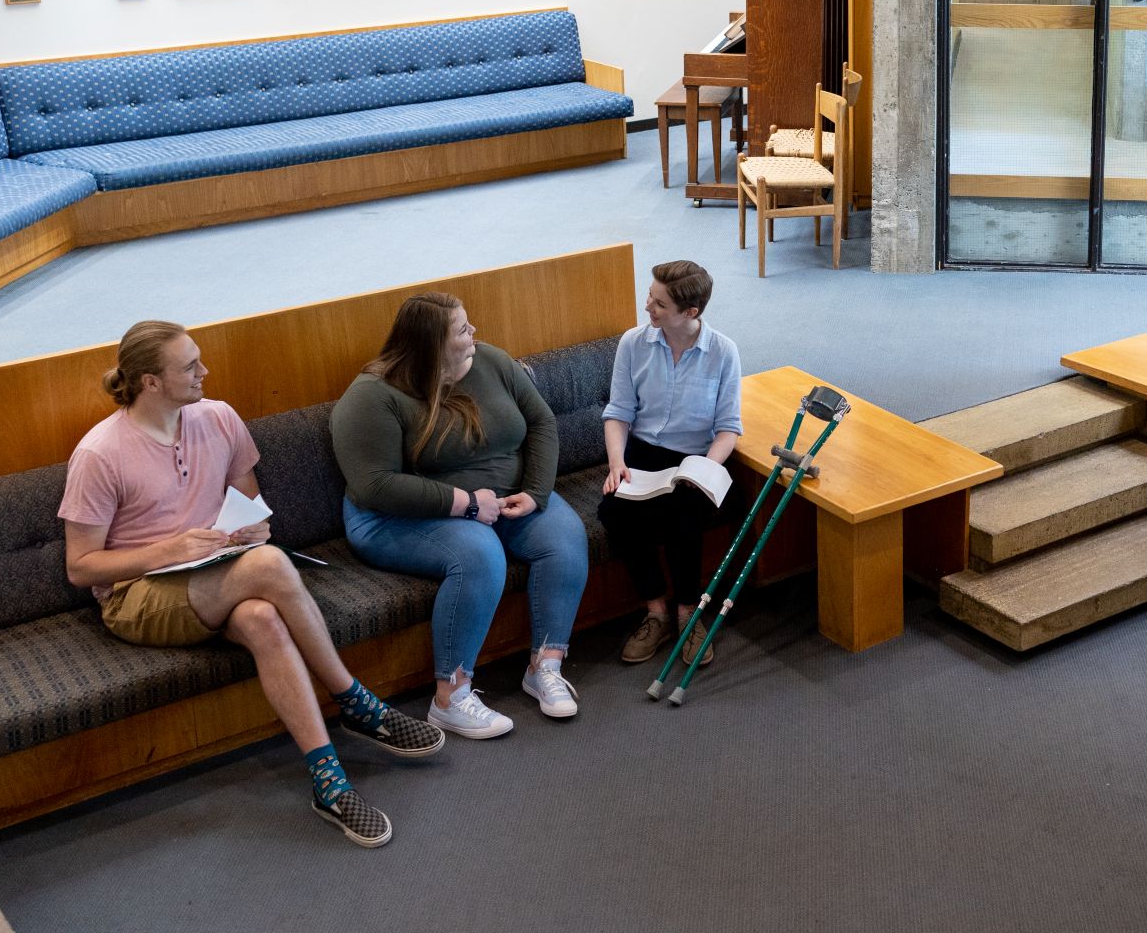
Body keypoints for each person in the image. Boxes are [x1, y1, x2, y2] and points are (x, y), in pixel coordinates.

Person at [59, 321, 442, 850]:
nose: (204, 372)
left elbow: (251, 508)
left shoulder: (218, 418)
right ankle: (355, 701)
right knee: (266, 567)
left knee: (262, 614)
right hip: (137, 593)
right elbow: (80, 568)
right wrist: (168, 551)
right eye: (190, 366)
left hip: (218, 575)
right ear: (150, 382)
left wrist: (254, 528)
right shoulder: (100, 454)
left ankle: (328, 781)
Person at [331, 292, 590, 738]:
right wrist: (467, 504)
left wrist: (535, 492)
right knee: (479, 555)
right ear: (432, 344)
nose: (475, 335)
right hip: (397, 515)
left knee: (565, 537)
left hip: (504, 499)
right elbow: (374, 485)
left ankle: (544, 666)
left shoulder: (491, 361)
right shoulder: (372, 395)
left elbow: (542, 423)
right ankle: (450, 697)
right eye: (462, 330)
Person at [599, 260, 743, 667]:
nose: (648, 307)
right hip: (642, 452)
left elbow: (728, 428)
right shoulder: (633, 343)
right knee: (615, 510)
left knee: (686, 513)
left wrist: (705, 470)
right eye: (650, 296)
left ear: (690, 313)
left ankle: (689, 614)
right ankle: (657, 612)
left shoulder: (723, 353)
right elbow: (619, 412)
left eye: (659, 303)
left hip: (696, 457)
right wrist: (616, 464)